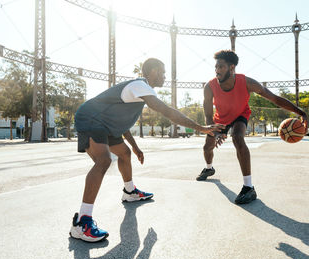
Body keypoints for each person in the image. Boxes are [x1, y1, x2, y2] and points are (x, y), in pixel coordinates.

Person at [70, 58, 224, 242]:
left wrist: (135, 147)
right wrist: (202, 128)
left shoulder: (138, 92)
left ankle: (130, 192)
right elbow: (166, 110)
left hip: (105, 125)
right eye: (162, 71)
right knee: (103, 161)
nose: (165, 76)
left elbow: (120, 122)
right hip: (90, 119)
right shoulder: (140, 85)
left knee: (124, 154)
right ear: (152, 71)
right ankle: (81, 222)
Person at [196, 50, 308, 204]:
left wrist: (300, 112)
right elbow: (208, 114)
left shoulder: (247, 82)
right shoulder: (210, 87)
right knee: (207, 147)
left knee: (237, 137)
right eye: (216, 67)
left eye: (221, 67)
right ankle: (209, 168)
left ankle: (249, 188)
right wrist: (214, 132)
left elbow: (274, 98)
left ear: (232, 68)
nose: (217, 70)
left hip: (240, 114)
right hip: (219, 120)